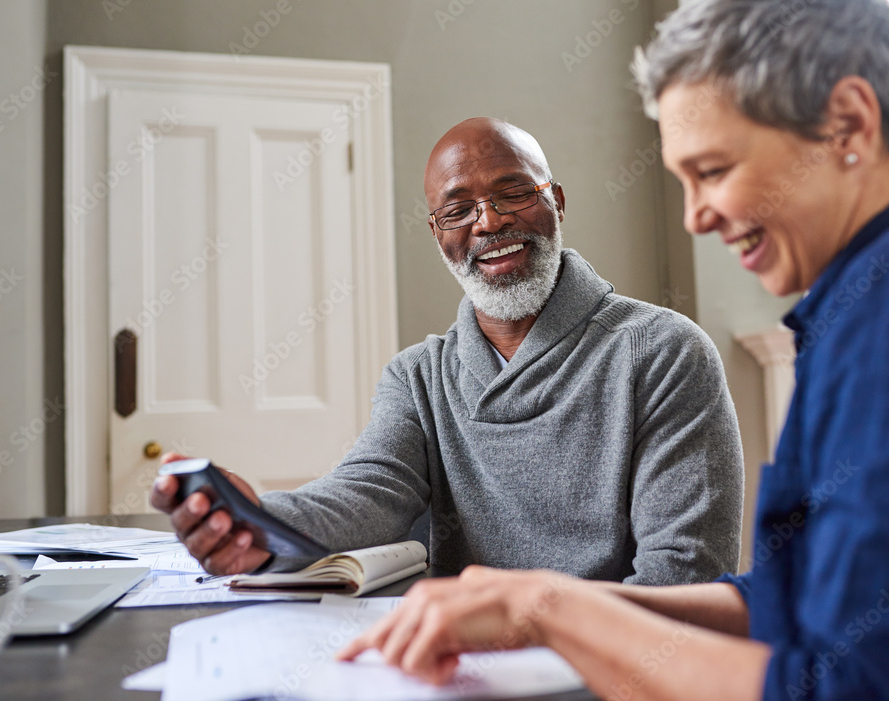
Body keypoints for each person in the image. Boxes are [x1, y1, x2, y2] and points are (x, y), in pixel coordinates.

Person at [338, 1, 889, 699]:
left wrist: (544, 608)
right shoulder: (843, 314)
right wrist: (539, 603)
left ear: (849, 123)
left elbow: (840, 686)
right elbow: (782, 601)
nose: (694, 217)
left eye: (713, 169)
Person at [151, 117, 745, 585]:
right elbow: (368, 494)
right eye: (458, 209)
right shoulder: (418, 377)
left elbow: (683, 579)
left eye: (513, 193)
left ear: (557, 202)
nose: (488, 223)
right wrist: (259, 518)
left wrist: (537, 629)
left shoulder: (664, 351)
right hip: (457, 665)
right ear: (439, 234)